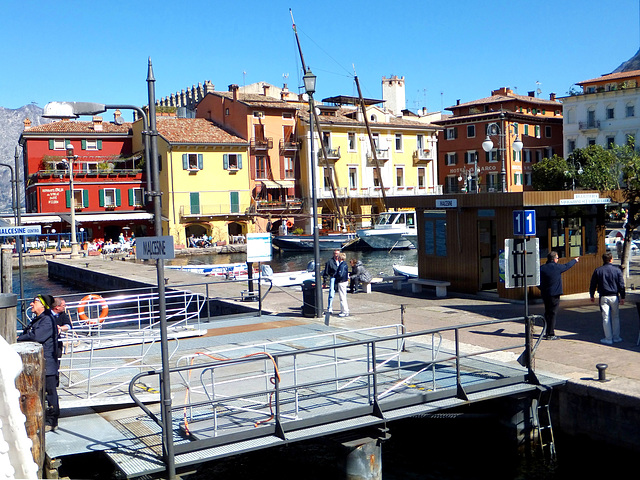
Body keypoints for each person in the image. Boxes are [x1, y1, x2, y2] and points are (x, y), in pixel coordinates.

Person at [17, 294, 60, 431]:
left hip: (47, 363)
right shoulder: (38, 320)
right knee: (40, 392)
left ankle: (51, 421)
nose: (31, 304)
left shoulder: (47, 320)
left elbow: (37, 336)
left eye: (34, 302)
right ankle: (38, 418)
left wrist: (20, 338)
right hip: (39, 363)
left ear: (42, 305)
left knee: (50, 393)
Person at [538, 251, 579, 340]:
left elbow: (536, 281)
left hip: (545, 294)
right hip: (555, 294)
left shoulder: (542, 268)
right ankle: (550, 334)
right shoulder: (557, 267)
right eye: (557, 258)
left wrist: (541, 288)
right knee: (552, 314)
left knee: (547, 312)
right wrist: (575, 260)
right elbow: (567, 266)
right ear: (554, 259)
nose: (558, 259)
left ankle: (547, 331)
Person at [590, 252, 625, 345]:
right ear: (611, 259)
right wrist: (623, 296)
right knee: (616, 317)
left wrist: (592, 295)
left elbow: (593, 284)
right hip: (614, 295)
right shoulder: (617, 270)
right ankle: (616, 337)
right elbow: (621, 284)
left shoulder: (598, 270)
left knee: (606, 318)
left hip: (604, 296)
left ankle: (608, 338)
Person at [323, 250, 340, 314]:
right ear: (333, 254)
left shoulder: (341, 261)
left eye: (338, 254)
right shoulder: (329, 262)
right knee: (331, 293)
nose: (336, 255)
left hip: (340, 279)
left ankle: (343, 308)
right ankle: (329, 307)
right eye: (335, 254)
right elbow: (326, 272)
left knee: (342, 293)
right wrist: (324, 281)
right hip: (333, 278)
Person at [335, 252, 350, 317]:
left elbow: (340, 274)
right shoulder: (345, 264)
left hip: (341, 282)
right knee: (343, 296)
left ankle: (345, 311)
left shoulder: (342, 265)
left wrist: (336, 277)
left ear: (340, 258)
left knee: (342, 297)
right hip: (344, 281)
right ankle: (344, 310)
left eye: (338, 257)